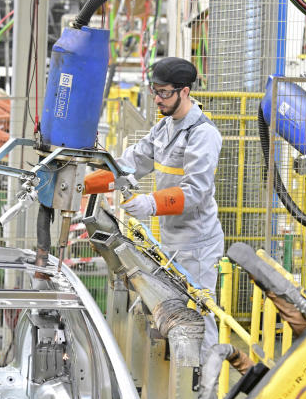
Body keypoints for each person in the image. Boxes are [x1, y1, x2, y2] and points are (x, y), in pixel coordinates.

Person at [85, 57, 224, 351]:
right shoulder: (164, 129)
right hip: (169, 239)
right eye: (155, 91)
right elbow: (128, 165)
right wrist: (81, 183)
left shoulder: (203, 134)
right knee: (174, 312)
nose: (157, 99)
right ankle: (183, 381)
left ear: (184, 91)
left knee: (199, 315)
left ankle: (206, 389)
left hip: (197, 243)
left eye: (164, 93)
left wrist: (150, 203)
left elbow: (196, 190)